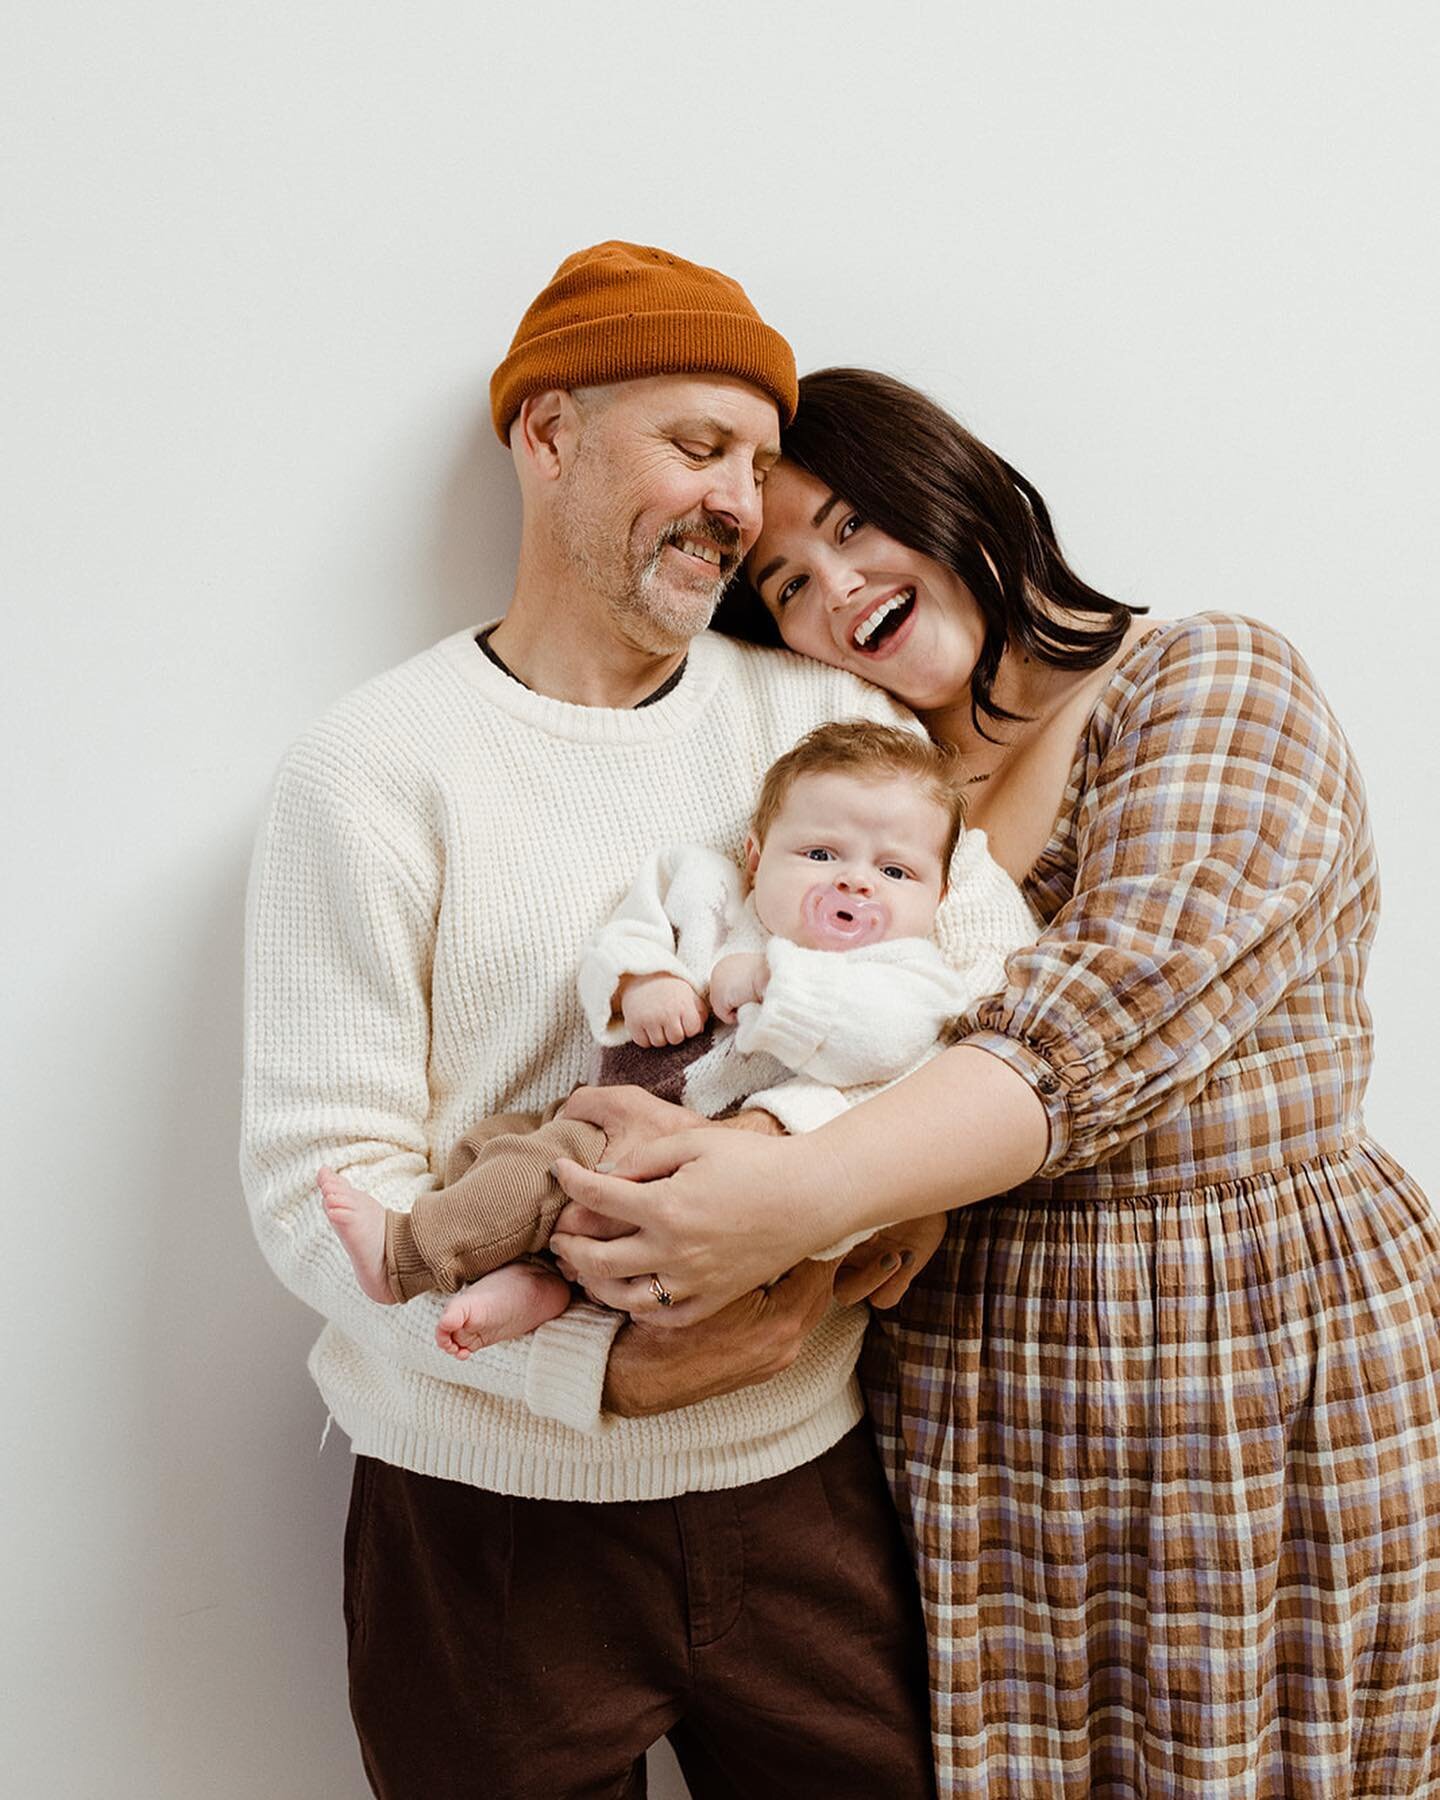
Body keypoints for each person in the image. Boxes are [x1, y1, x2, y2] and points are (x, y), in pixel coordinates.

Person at [551, 367, 1440, 1797]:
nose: (836, 589)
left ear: (950, 490)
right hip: (975, 1383)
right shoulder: (864, 797)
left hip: (1251, 1347)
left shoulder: (1209, 676)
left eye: (853, 525)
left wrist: (786, 1196)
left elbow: (1108, 1023)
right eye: (784, 583)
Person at [241, 253, 956, 1799]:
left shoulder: (831, 733)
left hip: (799, 1490)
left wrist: (874, 1229)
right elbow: (319, 1191)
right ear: (548, 436)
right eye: (698, 449)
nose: (739, 507)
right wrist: (608, 1380)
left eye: (760, 469)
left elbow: (984, 1023)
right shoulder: (372, 770)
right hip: (481, 1520)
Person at [318, 718, 1034, 1358]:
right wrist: (643, 981)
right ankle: (534, 1280)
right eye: (820, 854)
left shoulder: (912, 971)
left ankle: (406, 1256)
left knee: (547, 1166)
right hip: (597, 1108)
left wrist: (771, 983)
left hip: (700, 1171)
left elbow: (885, 1043)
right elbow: (629, 931)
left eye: (895, 870)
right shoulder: (710, 893)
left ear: (938, 896)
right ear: (756, 857)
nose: (854, 884)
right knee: (491, 1144)